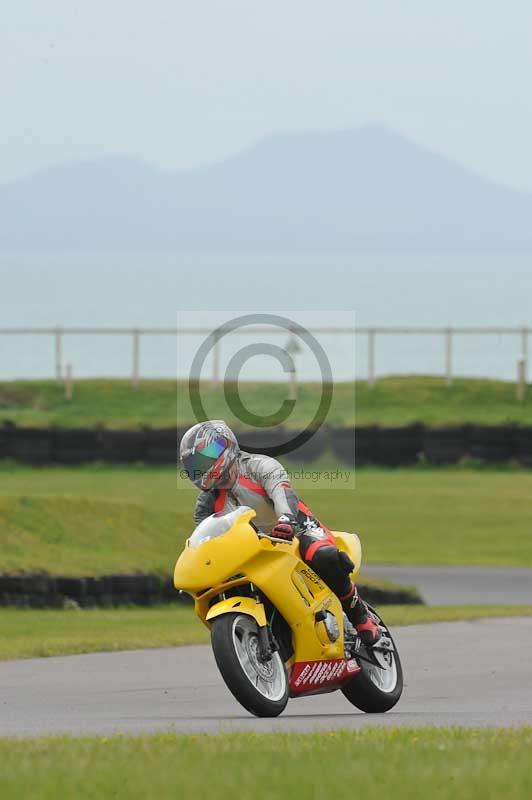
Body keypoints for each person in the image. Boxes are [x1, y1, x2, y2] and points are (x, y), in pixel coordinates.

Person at [179, 419, 380, 645]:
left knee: (322, 556)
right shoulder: (206, 504)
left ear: (225, 446)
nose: (202, 467)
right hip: (256, 548)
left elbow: (281, 492)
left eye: (205, 458)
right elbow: (207, 539)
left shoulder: (259, 466)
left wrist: (285, 519)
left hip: (297, 528)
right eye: (195, 463)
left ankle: (361, 617)